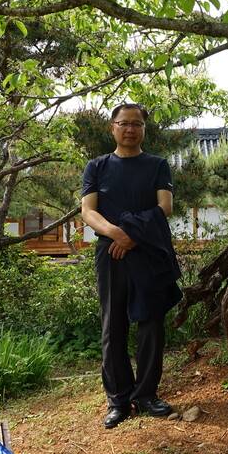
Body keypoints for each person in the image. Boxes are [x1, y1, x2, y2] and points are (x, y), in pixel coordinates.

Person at [81, 103, 181, 429]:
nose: (130, 129)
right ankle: (119, 399)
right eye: (124, 123)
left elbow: (164, 206)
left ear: (143, 129)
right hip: (110, 253)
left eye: (136, 124)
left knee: (151, 323)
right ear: (113, 127)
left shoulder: (157, 165)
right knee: (113, 325)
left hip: (147, 250)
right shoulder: (97, 167)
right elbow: (89, 212)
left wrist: (133, 238)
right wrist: (116, 234)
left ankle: (147, 394)